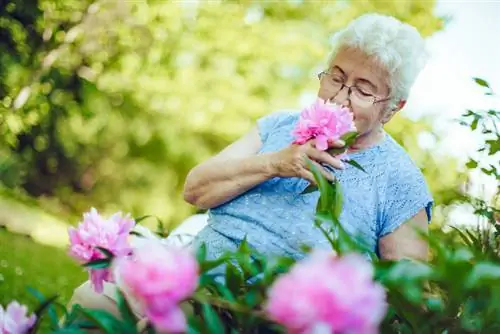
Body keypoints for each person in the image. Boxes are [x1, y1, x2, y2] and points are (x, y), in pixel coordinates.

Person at [68, 12, 433, 323]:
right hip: (189, 277)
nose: (341, 95)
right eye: (335, 77)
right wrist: (276, 162)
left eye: (363, 89)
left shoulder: (400, 181)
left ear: (394, 107)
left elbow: (407, 295)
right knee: (91, 300)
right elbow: (195, 189)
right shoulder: (278, 126)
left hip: (268, 317)